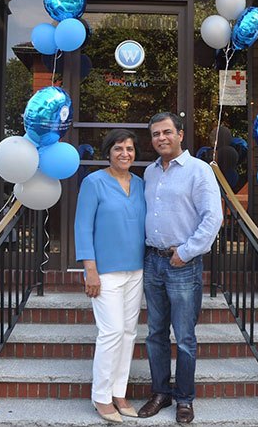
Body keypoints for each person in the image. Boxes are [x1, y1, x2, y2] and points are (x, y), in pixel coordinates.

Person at [137, 112, 222, 424]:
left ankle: (184, 398)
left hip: (182, 264)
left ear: (181, 134)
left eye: (167, 132)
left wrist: (185, 252)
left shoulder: (198, 171)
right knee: (155, 333)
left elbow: (213, 217)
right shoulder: (149, 172)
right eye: (156, 134)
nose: (161, 138)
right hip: (153, 261)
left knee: (184, 336)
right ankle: (160, 393)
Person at [74, 129, 146, 424]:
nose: (125, 154)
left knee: (129, 333)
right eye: (118, 148)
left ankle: (119, 392)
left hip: (136, 269)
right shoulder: (93, 183)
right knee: (112, 332)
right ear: (108, 152)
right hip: (104, 272)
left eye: (129, 149)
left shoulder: (140, 183)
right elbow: (82, 227)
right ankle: (101, 396)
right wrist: (90, 270)